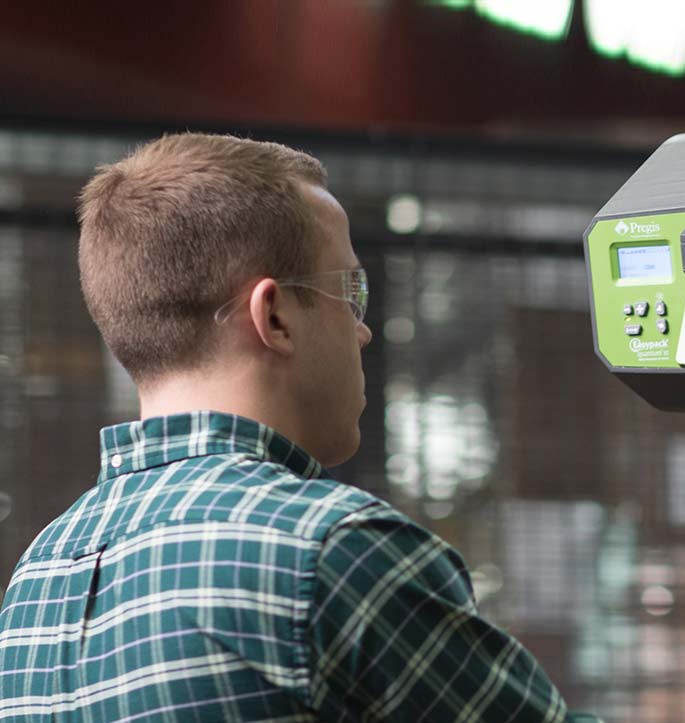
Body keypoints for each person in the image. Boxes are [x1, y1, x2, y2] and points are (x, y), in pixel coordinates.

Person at [0, 134, 597, 722]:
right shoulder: (330, 549)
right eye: (350, 291)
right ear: (275, 315)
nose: (363, 330)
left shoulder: (38, 580)